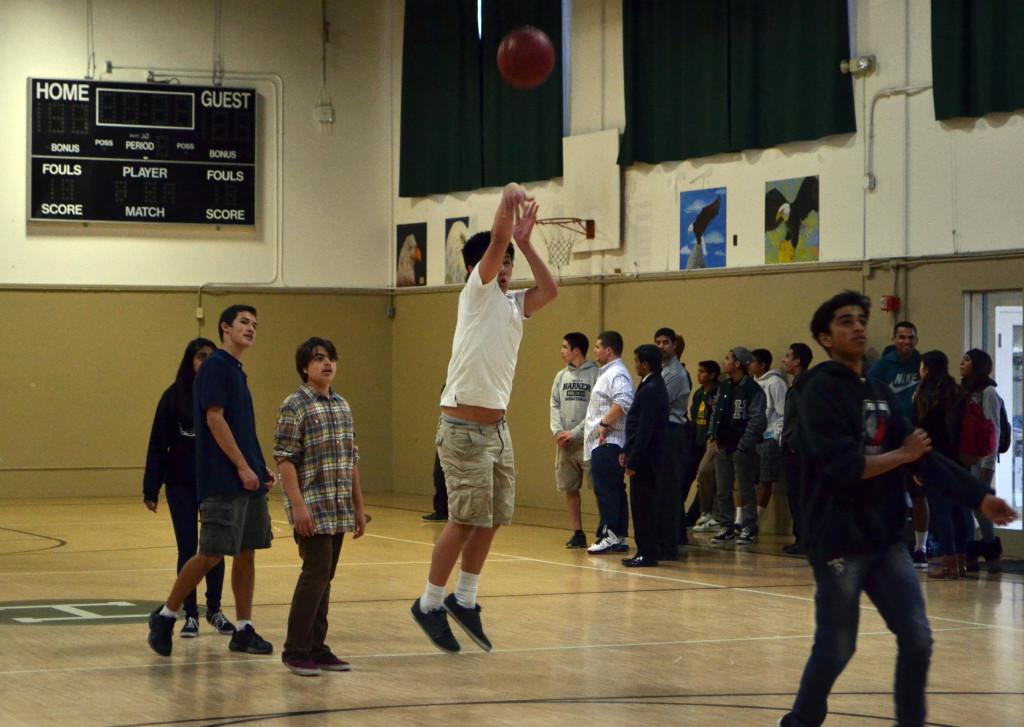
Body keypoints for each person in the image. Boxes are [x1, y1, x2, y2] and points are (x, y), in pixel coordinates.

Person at [777, 291, 1017, 727]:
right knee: (837, 646)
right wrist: (901, 457)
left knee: (918, 638)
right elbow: (844, 466)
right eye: (845, 321)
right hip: (837, 541)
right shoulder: (818, 391)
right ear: (825, 337)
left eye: (862, 319)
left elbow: (922, 453)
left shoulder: (880, 391)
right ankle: (801, 721)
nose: (858, 327)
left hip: (885, 539)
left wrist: (978, 497)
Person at [410, 183, 558, 654]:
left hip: (497, 428)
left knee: (493, 517)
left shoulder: (516, 307)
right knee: (464, 518)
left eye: (512, 263)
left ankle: (465, 597)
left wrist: (528, 242)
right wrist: (508, 202)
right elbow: (495, 243)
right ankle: (429, 603)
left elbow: (550, 289)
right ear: (479, 268)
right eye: (502, 262)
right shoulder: (475, 294)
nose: (507, 270)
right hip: (462, 430)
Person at [147, 304, 277, 658]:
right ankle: (166, 615)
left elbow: (242, 426)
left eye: (255, 323)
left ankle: (244, 629)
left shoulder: (236, 371)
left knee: (247, 552)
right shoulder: (217, 367)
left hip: (247, 482)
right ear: (225, 328)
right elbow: (215, 420)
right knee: (210, 554)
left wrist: (258, 465)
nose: (251, 328)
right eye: (243, 322)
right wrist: (240, 467)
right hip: (222, 481)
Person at [275, 337, 367, 676]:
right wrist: (298, 507)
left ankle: (316, 646)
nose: (326, 364)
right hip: (312, 505)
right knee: (315, 574)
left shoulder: (342, 405)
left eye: (330, 358)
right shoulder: (294, 405)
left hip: (338, 506)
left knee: (325, 577)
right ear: (304, 367)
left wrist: (358, 507)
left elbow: (351, 459)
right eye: (317, 359)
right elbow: (285, 458)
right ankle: (295, 649)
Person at [143, 337, 234, 639]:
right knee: (188, 547)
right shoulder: (173, 397)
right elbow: (158, 443)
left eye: (211, 356)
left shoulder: (220, 396)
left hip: (214, 481)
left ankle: (215, 610)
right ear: (190, 361)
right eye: (200, 356)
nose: (206, 362)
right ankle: (190, 614)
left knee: (215, 548)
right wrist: (151, 487)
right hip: (181, 483)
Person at [868, 321, 930, 568]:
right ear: (894, 339)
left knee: (919, 494)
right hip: (889, 439)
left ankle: (921, 547)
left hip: (916, 437)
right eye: (902, 337)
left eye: (911, 337)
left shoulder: (923, 364)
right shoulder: (882, 367)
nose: (906, 342)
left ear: (916, 339)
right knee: (883, 493)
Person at [912, 351, 967, 579]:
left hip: (935, 458)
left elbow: (921, 431)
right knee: (959, 511)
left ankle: (947, 562)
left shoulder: (925, 395)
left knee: (940, 510)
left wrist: (917, 465)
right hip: (959, 459)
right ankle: (961, 561)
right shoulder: (957, 391)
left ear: (926, 368)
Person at [707, 347, 766, 546]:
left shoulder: (752, 389)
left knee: (745, 488)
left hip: (743, 447)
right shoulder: (724, 387)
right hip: (723, 445)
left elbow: (757, 419)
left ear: (738, 363)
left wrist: (744, 444)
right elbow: (716, 412)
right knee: (723, 488)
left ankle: (749, 525)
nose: (724, 362)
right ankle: (727, 525)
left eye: (727, 358)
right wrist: (712, 435)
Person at [582, 331, 635, 554]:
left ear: (608, 350)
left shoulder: (617, 374)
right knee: (613, 489)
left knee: (607, 490)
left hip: (608, 441)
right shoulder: (607, 373)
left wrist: (604, 424)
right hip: (602, 442)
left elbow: (624, 401)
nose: (594, 351)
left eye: (597, 347)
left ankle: (611, 532)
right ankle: (619, 535)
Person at [620, 344, 669, 567]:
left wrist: (634, 460)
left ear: (646, 364)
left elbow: (645, 429)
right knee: (643, 505)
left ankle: (647, 552)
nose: (635, 364)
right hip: (645, 456)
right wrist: (625, 450)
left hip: (647, 459)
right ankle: (646, 549)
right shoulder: (650, 384)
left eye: (637, 361)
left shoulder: (652, 388)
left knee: (643, 507)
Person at [550, 332, 598, 548]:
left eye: (564, 347)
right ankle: (577, 532)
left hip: (588, 441)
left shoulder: (595, 374)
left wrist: (576, 432)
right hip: (565, 443)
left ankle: (606, 528)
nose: (561, 351)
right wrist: (558, 431)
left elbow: (595, 410)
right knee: (570, 488)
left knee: (598, 488)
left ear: (576, 350)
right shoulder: (561, 376)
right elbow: (554, 405)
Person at [960, 348, 1004, 573]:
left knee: (979, 505)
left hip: (982, 459)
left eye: (966, 361)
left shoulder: (988, 393)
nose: (961, 364)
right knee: (969, 505)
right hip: (967, 458)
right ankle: (973, 551)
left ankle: (990, 548)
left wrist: (988, 465)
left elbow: (993, 428)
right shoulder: (965, 391)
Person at [654, 327, 691, 556]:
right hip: (665, 431)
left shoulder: (675, 373)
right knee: (666, 487)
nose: (661, 346)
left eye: (665, 342)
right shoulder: (663, 370)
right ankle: (675, 535)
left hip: (673, 430)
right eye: (657, 342)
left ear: (674, 345)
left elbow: (659, 401)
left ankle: (669, 542)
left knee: (669, 487)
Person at [780, 343, 813, 555]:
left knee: (800, 495)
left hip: (799, 449)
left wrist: (794, 443)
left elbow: (803, 418)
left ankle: (805, 539)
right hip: (794, 446)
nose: (784, 360)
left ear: (797, 361)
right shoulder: (798, 384)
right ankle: (802, 537)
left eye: (787, 356)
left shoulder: (804, 386)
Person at [750, 348, 788, 523]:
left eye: (752, 362)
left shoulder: (775, 383)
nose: (749, 365)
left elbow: (782, 413)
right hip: (752, 438)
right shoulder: (751, 383)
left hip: (769, 437)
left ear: (762, 364)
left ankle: (755, 520)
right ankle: (742, 520)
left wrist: (776, 437)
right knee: (749, 480)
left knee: (766, 480)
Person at [689, 360, 722, 533]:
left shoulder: (718, 392)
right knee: (696, 476)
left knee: (707, 476)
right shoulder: (698, 393)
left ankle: (709, 513)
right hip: (697, 440)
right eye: (698, 371)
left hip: (711, 442)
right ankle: (698, 513)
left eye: (702, 372)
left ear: (712, 375)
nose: (699, 374)